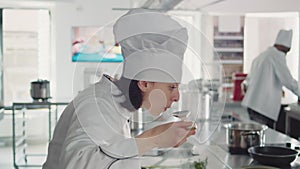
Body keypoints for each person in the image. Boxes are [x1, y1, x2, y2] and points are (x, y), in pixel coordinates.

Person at [42, 8, 196, 169]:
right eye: (171, 87)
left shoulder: (115, 105)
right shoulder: (97, 104)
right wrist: (153, 138)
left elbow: (109, 156)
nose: (177, 96)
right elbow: (77, 164)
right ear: (144, 83)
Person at [242, 29, 300, 132]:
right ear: (284, 47)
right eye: (286, 51)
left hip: (253, 106)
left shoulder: (263, 56)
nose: (285, 55)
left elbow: (248, 82)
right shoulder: (276, 56)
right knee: (261, 140)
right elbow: (288, 81)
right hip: (262, 108)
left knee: (254, 138)